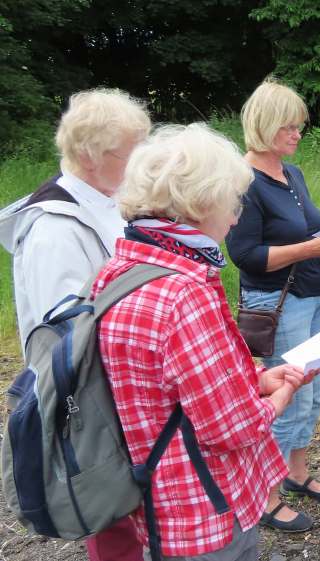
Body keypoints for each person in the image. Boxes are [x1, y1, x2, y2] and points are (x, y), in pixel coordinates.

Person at [97, 122, 311, 560]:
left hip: (152, 497)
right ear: (200, 203)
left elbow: (165, 382)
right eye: (232, 202)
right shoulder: (184, 295)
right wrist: (282, 393)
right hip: (203, 511)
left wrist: (256, 379)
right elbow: (233, 428)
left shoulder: (119, 271)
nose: (235, 218)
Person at [0, 88, 150, 561]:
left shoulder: (108, 199)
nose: (140, 164)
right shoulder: (54, 229)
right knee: (112, 505)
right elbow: (68, 337)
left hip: (124, 380)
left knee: (139, 500)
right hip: (91, 394)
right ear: (90, 155)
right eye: (130, 153)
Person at [227, 78, 320, 531]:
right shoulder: (243, 183)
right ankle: (264, 498)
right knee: (287, 396)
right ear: (265, 126)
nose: (298, 133)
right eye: (289, 126)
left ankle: (296, 474)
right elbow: (245, 256)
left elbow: (308, 230)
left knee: (313, 391)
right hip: (277, 302)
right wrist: (312, 248)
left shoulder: (293, 174)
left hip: (313, 295)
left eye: (299, 125)